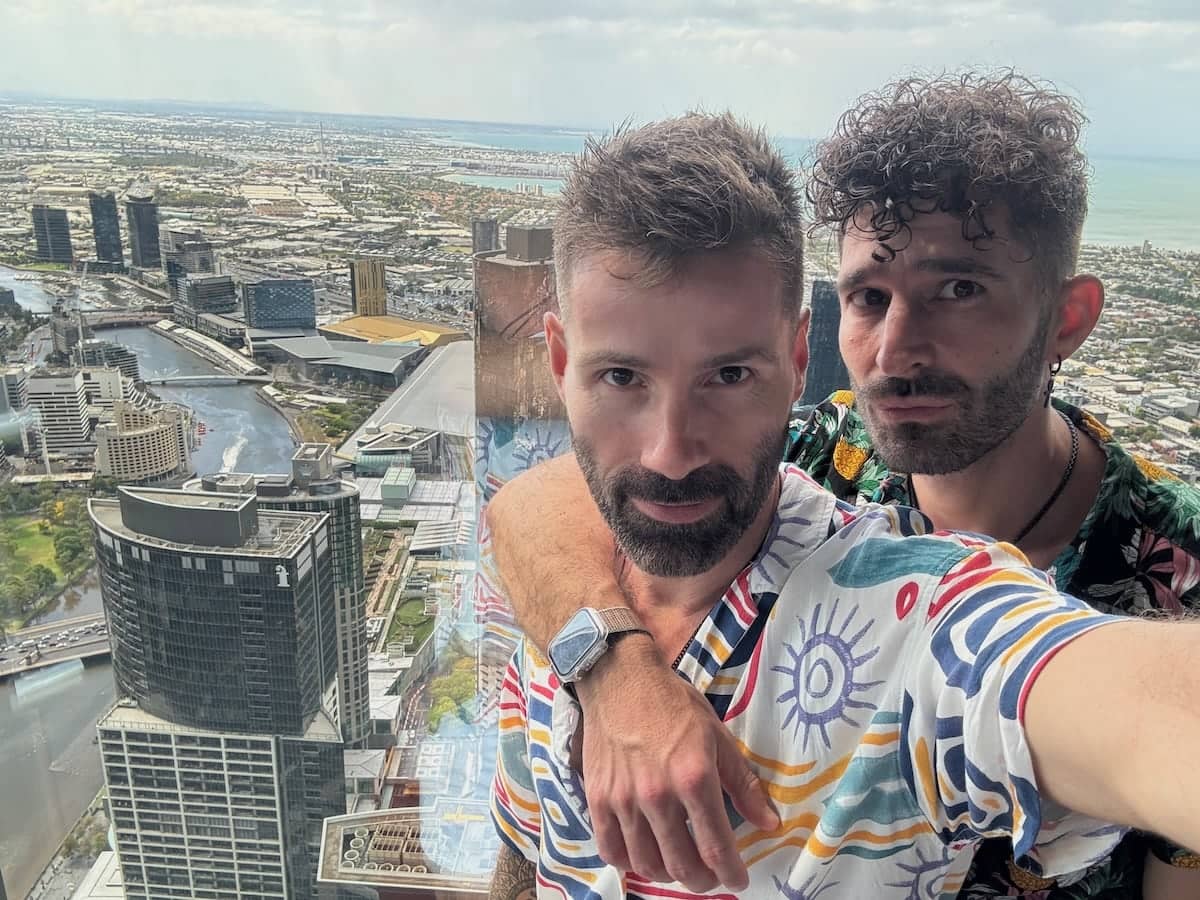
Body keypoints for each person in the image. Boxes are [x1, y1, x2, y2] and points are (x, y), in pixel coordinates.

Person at [485, 74, 1200, 900]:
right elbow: (542, 503)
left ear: (1065, 320)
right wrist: (616, 669)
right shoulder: (810, 449)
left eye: (959, 289)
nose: (895, 350)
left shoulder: (1027, 589)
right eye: (868, 295)